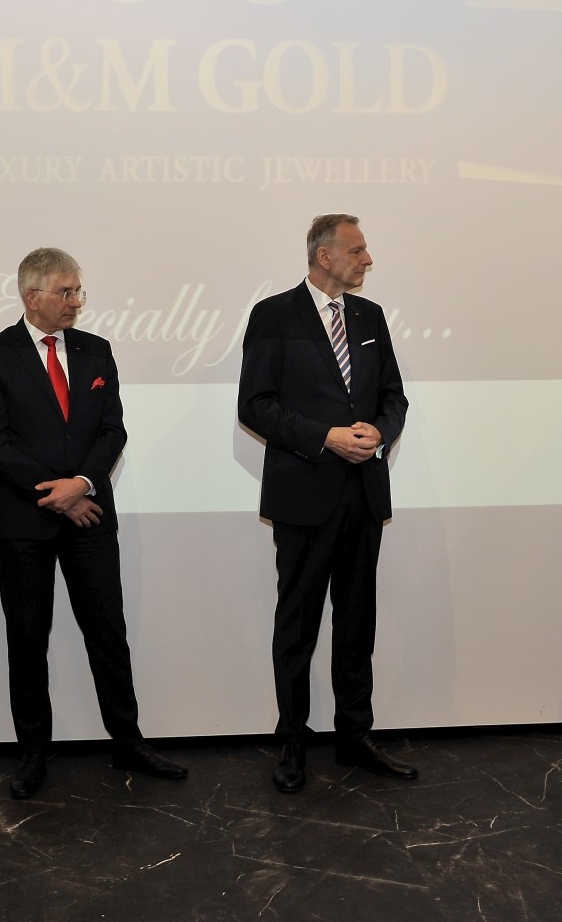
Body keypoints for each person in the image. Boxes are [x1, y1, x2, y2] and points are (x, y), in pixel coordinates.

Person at [0, 247, 187, 798]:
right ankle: (33, 754)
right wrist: (61, 494)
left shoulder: (96, 350)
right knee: (27, 638)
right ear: (32, 296)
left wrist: (83, 483)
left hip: (90, 515)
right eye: (65, 292)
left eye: (77, 291)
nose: (75, 301)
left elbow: (113, 431)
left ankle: (128, 742)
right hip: (24, 520)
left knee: (108, 631)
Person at [237, 214, 412, 793]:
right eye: (358, 250)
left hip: (363, 493)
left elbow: (393, 396)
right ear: (325, 256)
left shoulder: (370, 316)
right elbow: (256, 405)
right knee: (298, 626)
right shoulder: (274, 315)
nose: (368, 260)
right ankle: (292, 742)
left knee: (357, 623)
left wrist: (379, 432)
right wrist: (327, 437)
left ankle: (354, 736)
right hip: (304, 494)